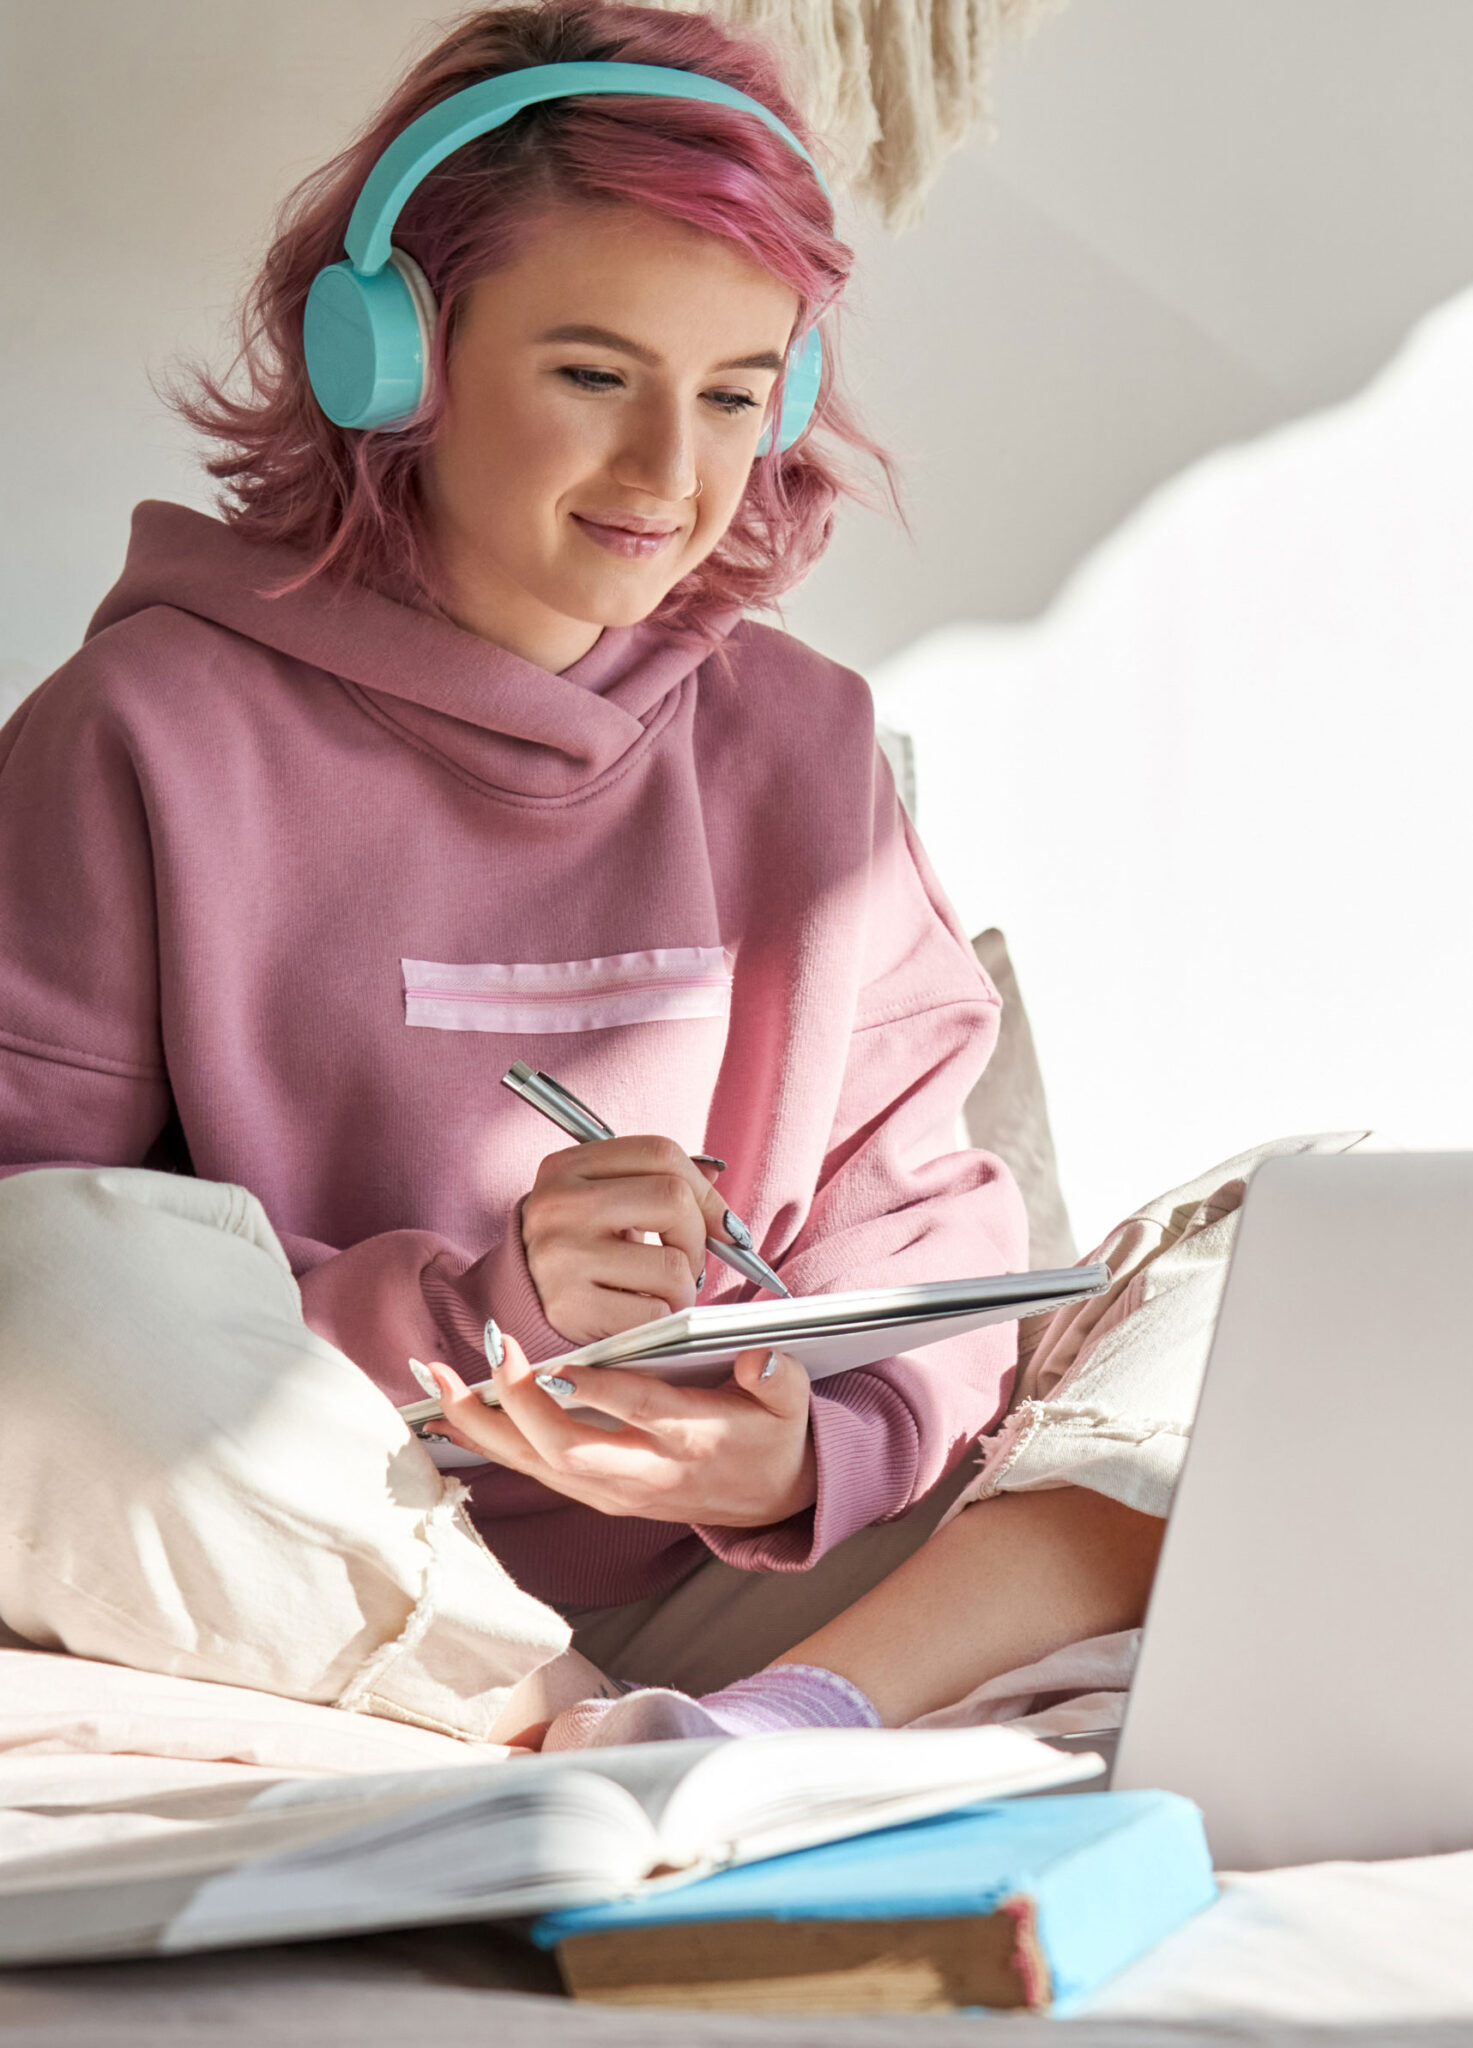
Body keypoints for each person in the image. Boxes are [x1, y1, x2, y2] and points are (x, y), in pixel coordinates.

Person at [0, 0, 1160, 1749]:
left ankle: (776, 1729)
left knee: (1260, 1261)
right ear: (389, 358)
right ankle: (555, 1727)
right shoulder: (141, 730)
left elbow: (926, 1213)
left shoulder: (809, 741)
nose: (668, 474)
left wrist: (806, 1455)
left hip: (750, 1592)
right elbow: (62, 1267)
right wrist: (484, 1320)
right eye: (592, 374)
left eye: (732, 394)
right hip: (334, 1560)